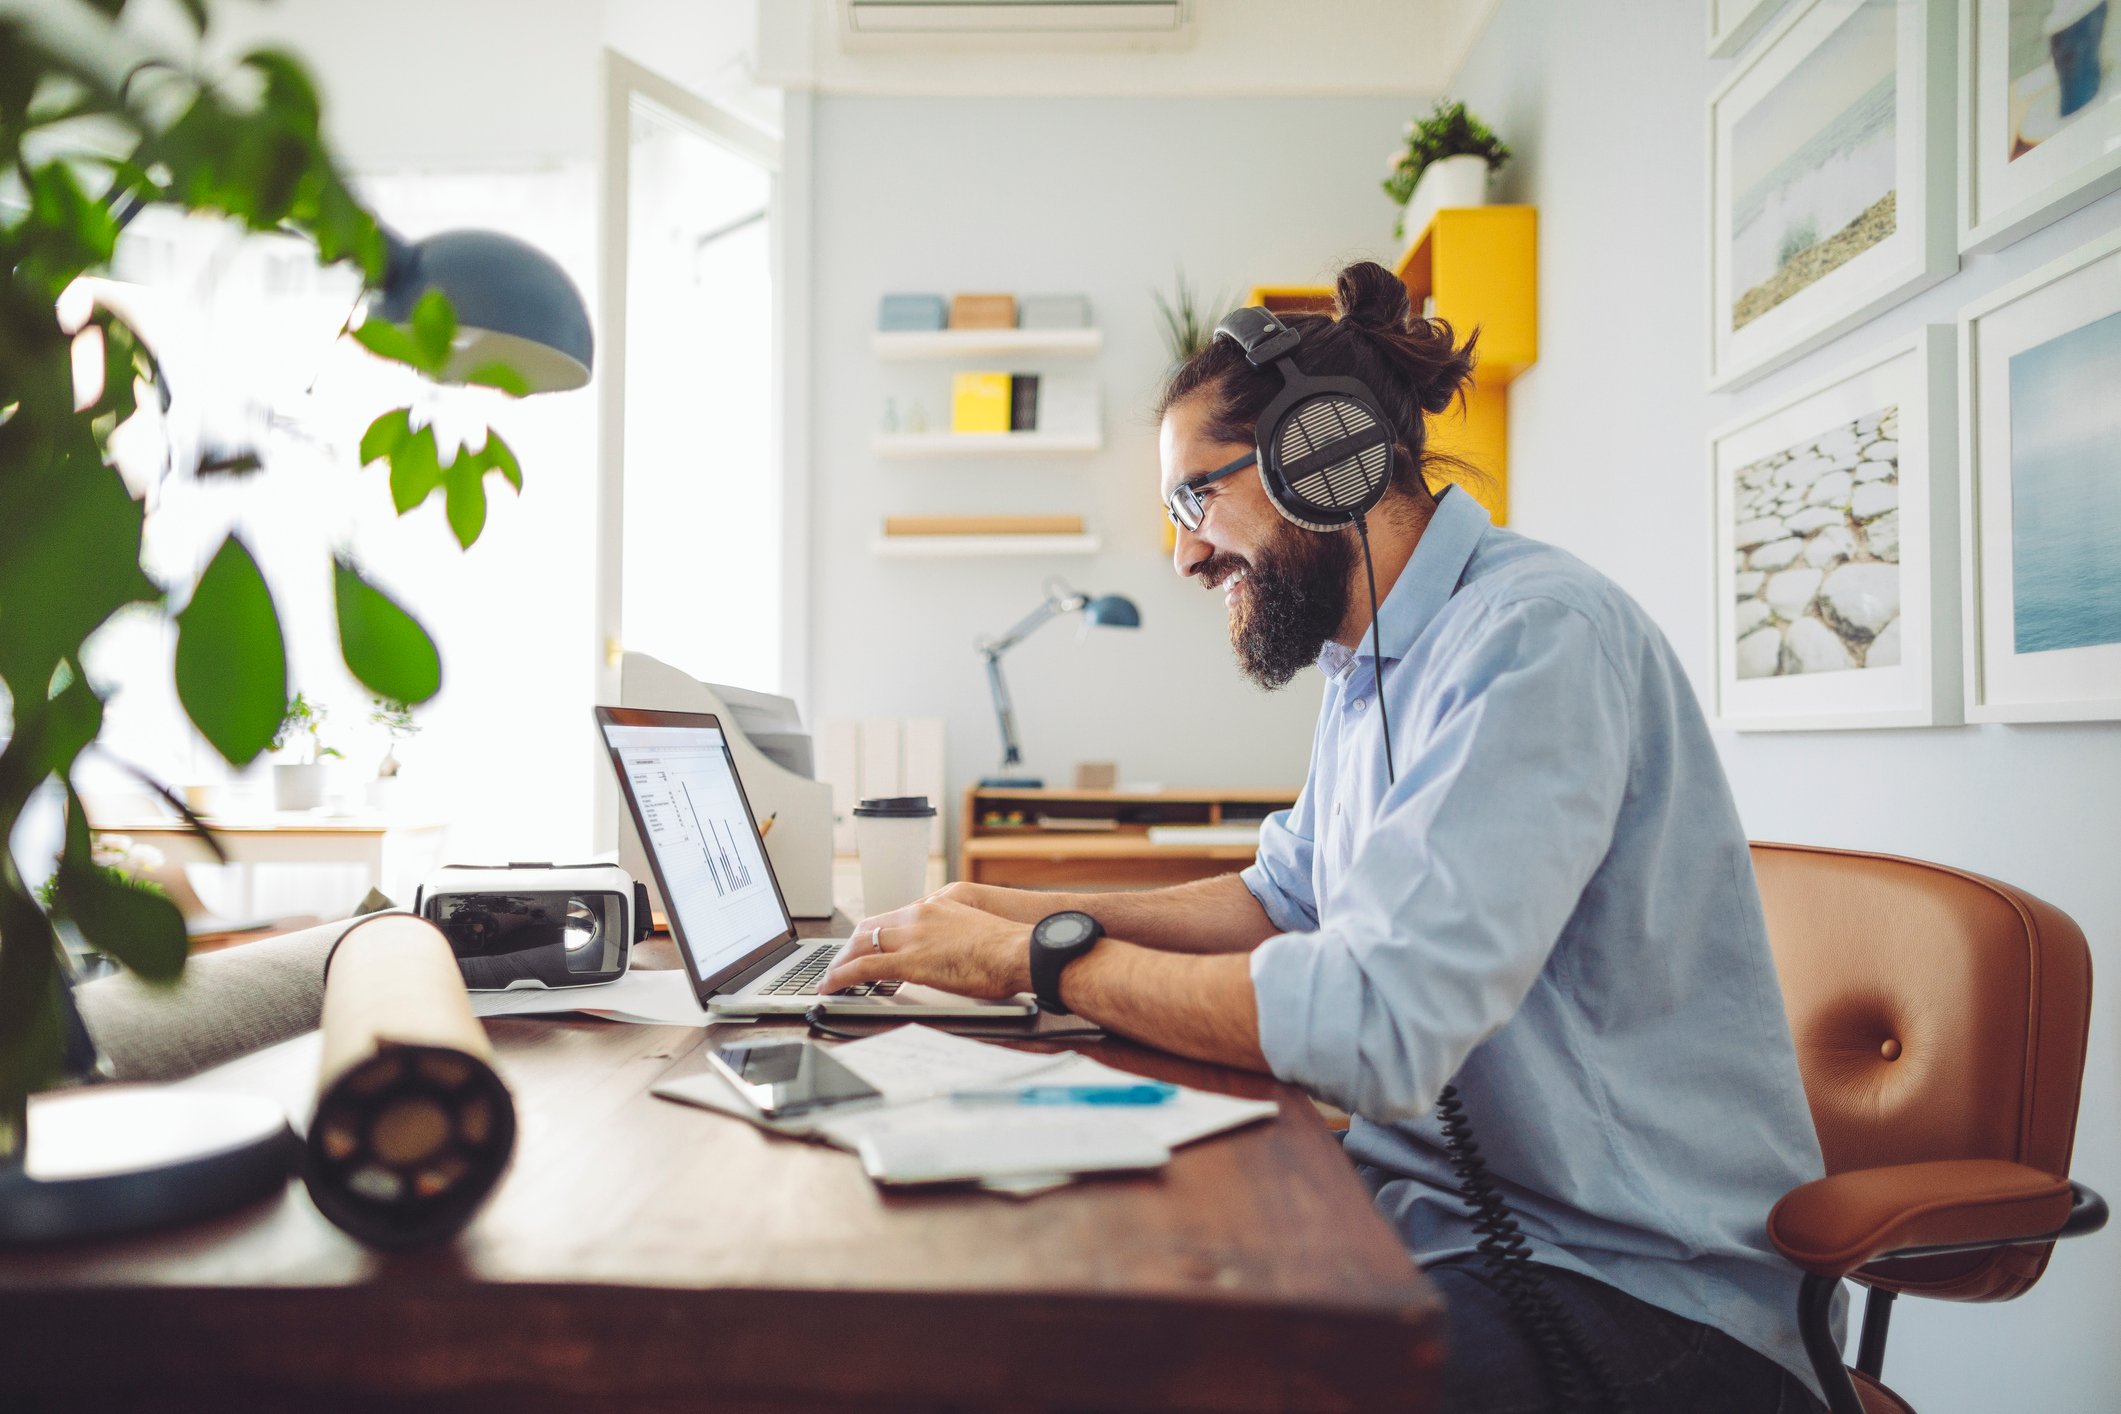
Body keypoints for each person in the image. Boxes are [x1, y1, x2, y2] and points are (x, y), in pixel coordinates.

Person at [821, 261, 1830, 1414]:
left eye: (1196, 500)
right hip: (1440, 1230)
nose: (1187, 556)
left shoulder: (1534, 643)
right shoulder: (1370, 667)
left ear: (1322, 456)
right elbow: (1281, 898)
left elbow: (1373, 1027)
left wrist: (1040, 960)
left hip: (1636, 1294)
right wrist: (1011, 910)